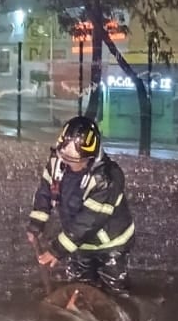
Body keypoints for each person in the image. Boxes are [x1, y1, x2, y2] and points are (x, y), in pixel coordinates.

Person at [25, 116, 135, 294]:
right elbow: (45, 192)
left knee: (114, 287)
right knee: (79, 285)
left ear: (90, 157)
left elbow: (89, 221)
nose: (67, 162)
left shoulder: (106, 179)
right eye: (64, 156)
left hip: (111, 245)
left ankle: (119, 315)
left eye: (75, 160)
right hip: (78, 243)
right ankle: (82, 311)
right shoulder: (57, 162)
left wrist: (57, 250)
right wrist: (36, 223)